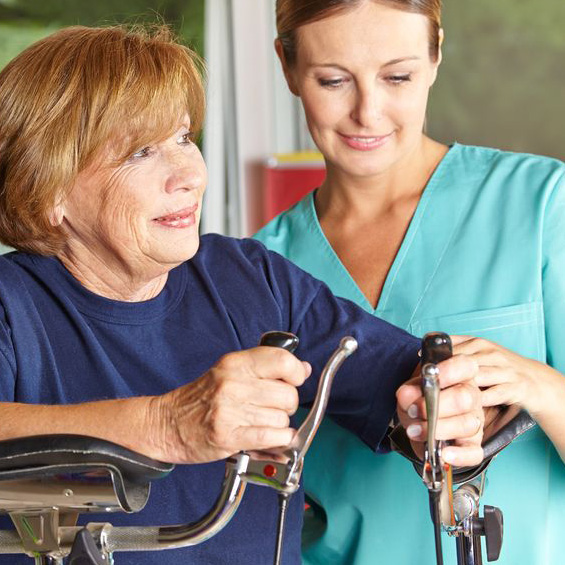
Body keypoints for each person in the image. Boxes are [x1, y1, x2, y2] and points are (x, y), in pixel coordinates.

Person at [0, 24, 485, 565]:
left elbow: (409, 381)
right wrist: (165, 425)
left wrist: (441, 404)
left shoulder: (247, 277)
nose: (188, 173)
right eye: (140, 152)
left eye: (184, 138)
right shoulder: (12, 307)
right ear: (48, 193)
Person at [254, 1, 565, 564]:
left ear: (436, 54)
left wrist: (534, 384)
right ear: (288, 65)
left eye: (397, 76)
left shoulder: (544, 204)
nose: (367, 112)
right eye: (333, 80)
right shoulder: (263, 268)